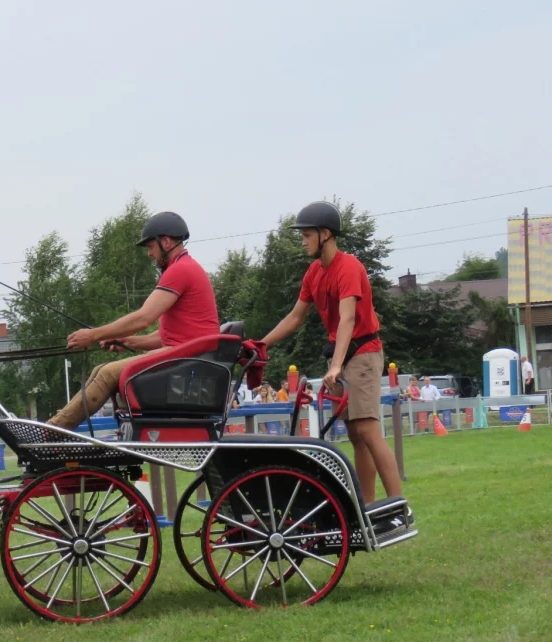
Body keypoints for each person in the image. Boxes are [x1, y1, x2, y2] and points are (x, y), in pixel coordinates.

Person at [254, 200, 404, 507]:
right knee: (355, 434)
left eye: (307, 235)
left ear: (326, 234)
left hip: (362, 351)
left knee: (368, 429)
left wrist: (335, 365)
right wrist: (261, 344)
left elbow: (347, 318)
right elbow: (295, 318)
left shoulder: (349, 267)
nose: (302, 241)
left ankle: (398, 505)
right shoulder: (313, 273)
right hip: (341, 355)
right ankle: (367, 507)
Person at [49, 211, 220, 429]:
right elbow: (165, 336)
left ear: (166, 242)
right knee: (100, 370)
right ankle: (56, 425)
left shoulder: (180, 270)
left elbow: (144, 317)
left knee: (107, 373)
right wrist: (127, 341)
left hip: (190, 360)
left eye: (151, 247)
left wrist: (92, 335)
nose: (150, 254)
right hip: (189, 355)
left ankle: (53, 430)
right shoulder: (185, 267)